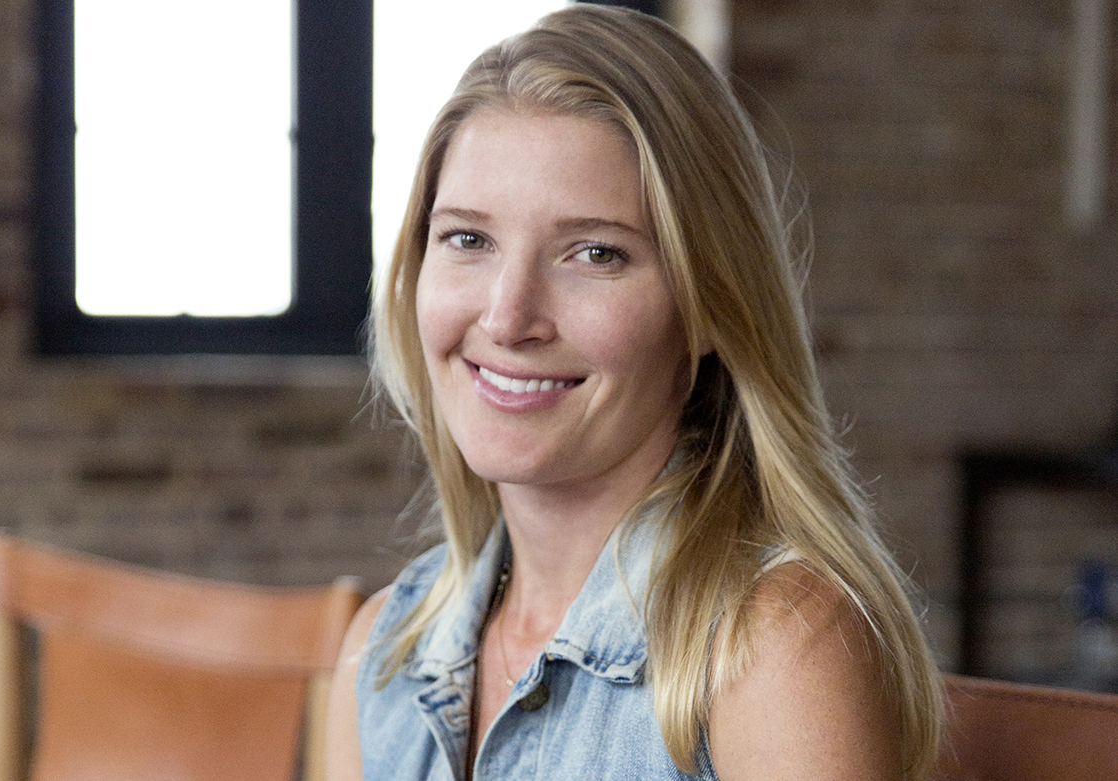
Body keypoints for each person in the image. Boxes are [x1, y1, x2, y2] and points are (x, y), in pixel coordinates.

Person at [327, 5, 944, 780]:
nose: (508, 316)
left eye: (594, 252)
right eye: (468, 239)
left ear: (710, 304)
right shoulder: (383, 650)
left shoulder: (777, 646)